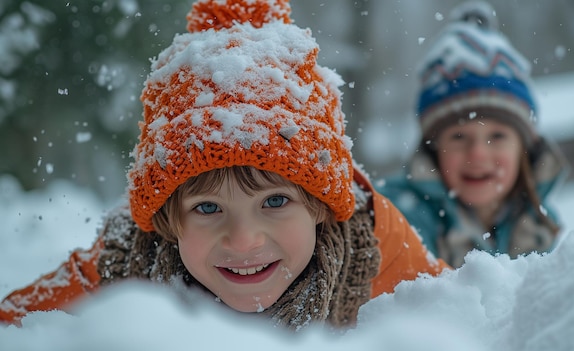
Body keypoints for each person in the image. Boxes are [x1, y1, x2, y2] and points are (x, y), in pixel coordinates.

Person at [0, 0, 449, 330]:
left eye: (274, 200)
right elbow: (17, 324)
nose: (244, 240)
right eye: (208, 208)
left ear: (319, 205)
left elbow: (469, 319)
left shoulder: (374, 246)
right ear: (168, 222)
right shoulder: (128, 260)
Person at [375, 1, 569, 268]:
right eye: (458, 137)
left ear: (523, 147)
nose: (477, 153)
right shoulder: (397, 218)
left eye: (497, 136)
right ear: (434, 149)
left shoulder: (538, 224)